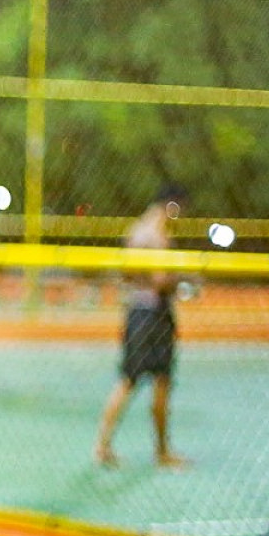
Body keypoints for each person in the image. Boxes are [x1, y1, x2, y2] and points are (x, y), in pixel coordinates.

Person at [93, 186, 188, 468]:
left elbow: (127, 273)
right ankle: (161, 451)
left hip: (136, 309)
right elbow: (161, 280)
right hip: (154, 313)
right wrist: (178, 281)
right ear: (172, 206)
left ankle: (104, 445)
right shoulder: (158, 233)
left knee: (131, 379)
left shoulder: (136, 230)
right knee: (159, 380)